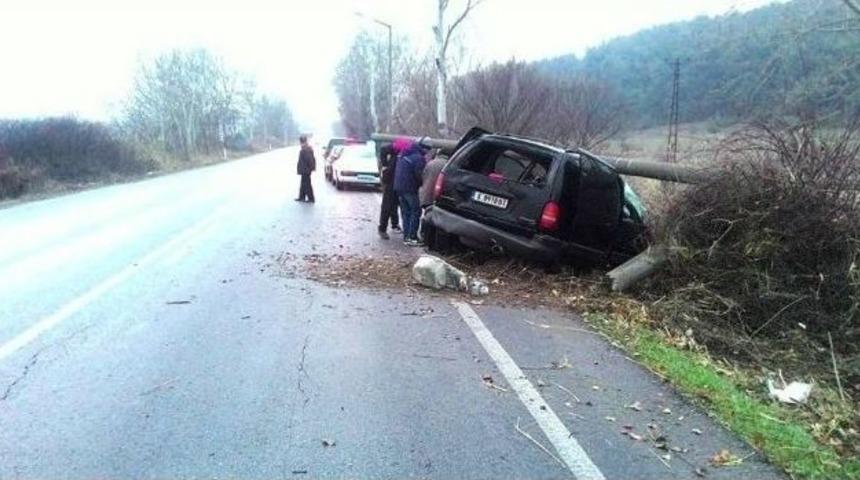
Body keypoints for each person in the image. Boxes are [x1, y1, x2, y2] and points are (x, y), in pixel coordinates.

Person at [393, 139, 427, 246]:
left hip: (399, 187)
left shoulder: (404, 154)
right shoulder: (418, 158)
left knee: (406, 212)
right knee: (416, 211)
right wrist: (423, 183)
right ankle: (413, 237)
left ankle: (406, 237)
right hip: (410, 188)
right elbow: (419, 175)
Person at [418, 149, 448, 241]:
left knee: (427, 215)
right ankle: (430, 239)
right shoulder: (447, 165)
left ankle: (423, 236)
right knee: (436, 219)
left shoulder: (430, 163)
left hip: (426, 194)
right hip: (437, 196)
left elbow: (423, 176)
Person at [376, 141, 401, 240]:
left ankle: (394, 224)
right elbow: (384, 149)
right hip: (392, 179)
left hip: (395, 179)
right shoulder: (402, 148)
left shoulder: (401, 149)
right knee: (388, 205)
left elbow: (383, 149)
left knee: (393, 203)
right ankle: (382, 228)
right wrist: (385, 165)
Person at [296, 135, 316, 203]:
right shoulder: (306, 148)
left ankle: (311, 198)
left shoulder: (305, 149)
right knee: (303, 184)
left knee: (307, 184)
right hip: (305, 169)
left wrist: (310, 168)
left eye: (301, 141)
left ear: (303, 141)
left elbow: (309, 159)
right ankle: (302, 197)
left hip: (306, 169)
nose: (300, 143)